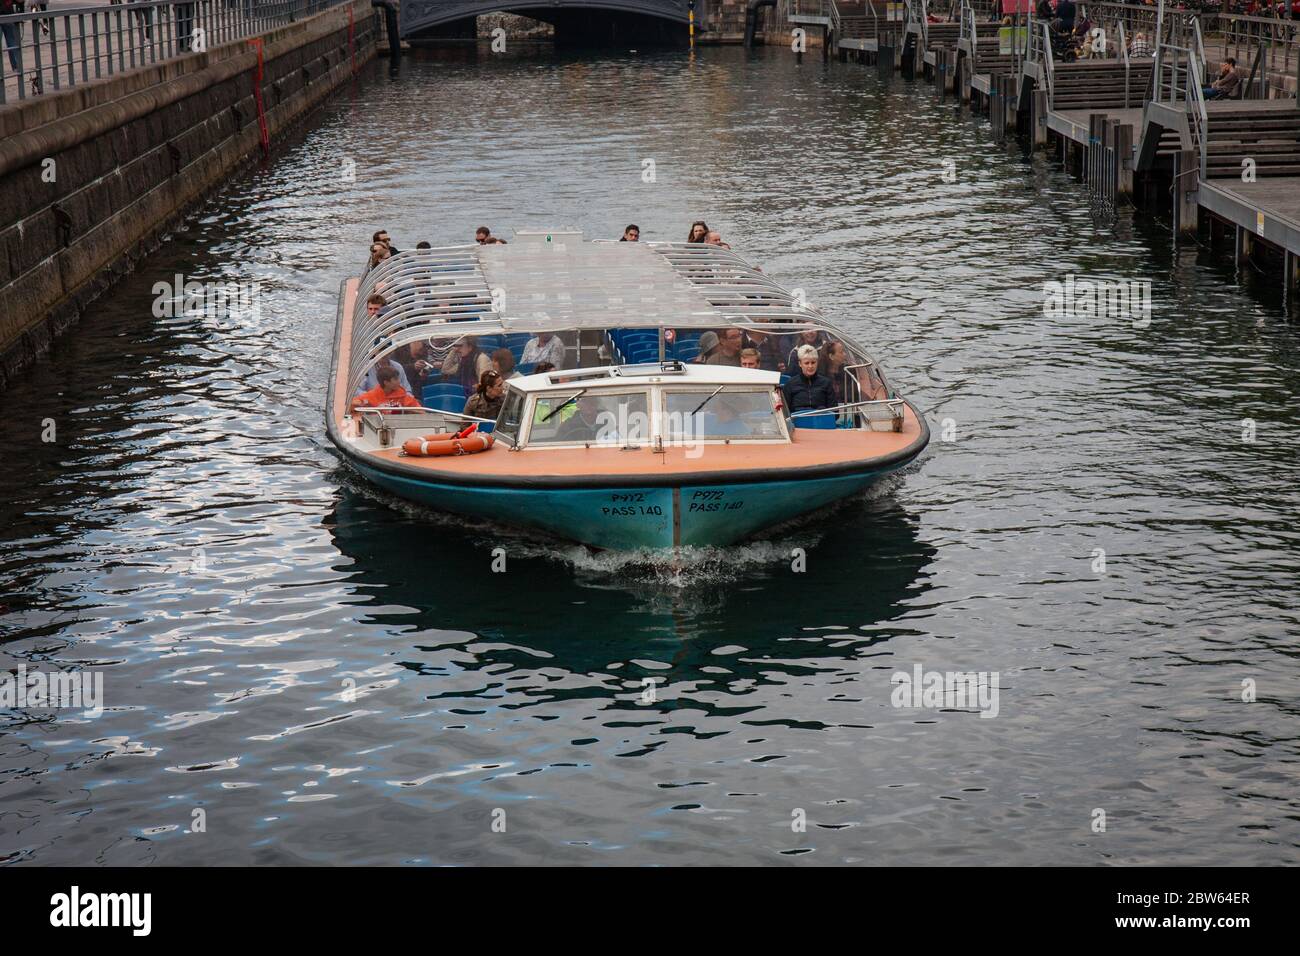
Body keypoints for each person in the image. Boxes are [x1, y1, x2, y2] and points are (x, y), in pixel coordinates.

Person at [783, 345, 836, 413]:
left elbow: (835, 412)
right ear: (800, 363)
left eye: (813, 362)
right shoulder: (790, 384)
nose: (810, 366)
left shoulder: (826, 383)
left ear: (817, 363)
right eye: (806, 363)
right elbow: (785, 413)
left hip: (821, 421)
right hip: (798, 422)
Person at [352, 364, 421, 410]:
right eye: (395, 379)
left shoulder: (403, 397)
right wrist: (363, 406)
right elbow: (352, 405)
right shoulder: (371, 396)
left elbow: (420, 411)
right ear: (386, 382)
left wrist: (407, 410)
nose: (399, 382)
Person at [820, 340, 849, 404]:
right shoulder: (821, 377)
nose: (845, 354)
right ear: (831, 356)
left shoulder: (848, 371)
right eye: (841, 352)